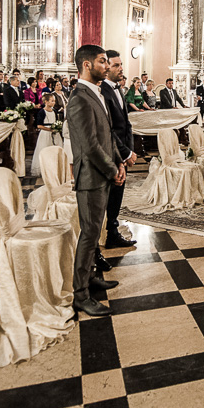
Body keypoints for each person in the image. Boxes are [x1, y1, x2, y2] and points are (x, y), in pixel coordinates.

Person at [67, 44, 125, 317]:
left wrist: (119, 162)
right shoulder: (79, 98)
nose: (107, 65)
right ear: (87, 65)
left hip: (104, 171)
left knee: (95, 231)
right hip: (91, 176)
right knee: (89, 234)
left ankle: (91, 276)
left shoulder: (97, 93)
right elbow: (89, 145)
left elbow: (108, 134)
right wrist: (112, 170)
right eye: (103, 61)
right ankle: (80, 294)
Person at [100, 50, 138, 250]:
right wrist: (124, 153)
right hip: (111, 152)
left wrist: (130, 150)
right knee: (111, 194)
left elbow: (126, 124)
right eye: (116, 65)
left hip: (122, 151)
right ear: (106, 68)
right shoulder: (103, 92)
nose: (121, 68)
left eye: (121, 64)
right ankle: (108, 234)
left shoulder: (119, 90)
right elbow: (108, 128)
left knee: (117, 195)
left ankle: (112, 233)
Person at [31, 93, 63, 176]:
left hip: (54, 132)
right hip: (46, 133)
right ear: (46, 102)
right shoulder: (42, 112)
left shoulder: (54, 111)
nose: (53, 103)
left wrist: (57, 127)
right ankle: (45, 169)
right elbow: (39, 125)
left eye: (54, 101)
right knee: (45, 149)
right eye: (52, 101)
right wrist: (49, 129)